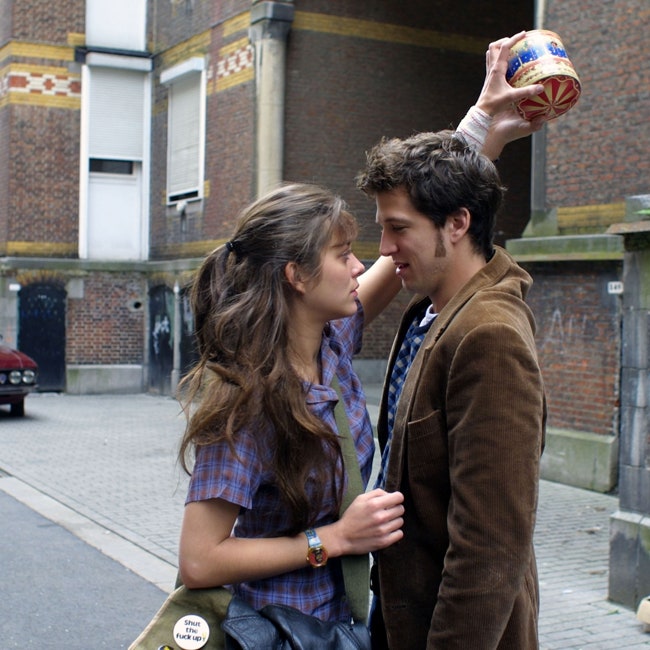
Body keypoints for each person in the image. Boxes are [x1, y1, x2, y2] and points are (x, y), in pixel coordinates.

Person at [175, 30, 545, 638]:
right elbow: (199, 558)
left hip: (347, 625)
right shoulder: (248, 394)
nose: (367, 264)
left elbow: (432, 215)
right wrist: (332, 539)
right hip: (280, 630)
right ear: (296, 276)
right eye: (344, 253)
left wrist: (477, 129)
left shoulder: (334, 342)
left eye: (366, 245)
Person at [355, 40, 548, 650]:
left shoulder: (489, 335)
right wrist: (481, 122)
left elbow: (490, 549)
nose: (383, 250)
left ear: (457, 223)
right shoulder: (427, 309)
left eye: (398, 229)